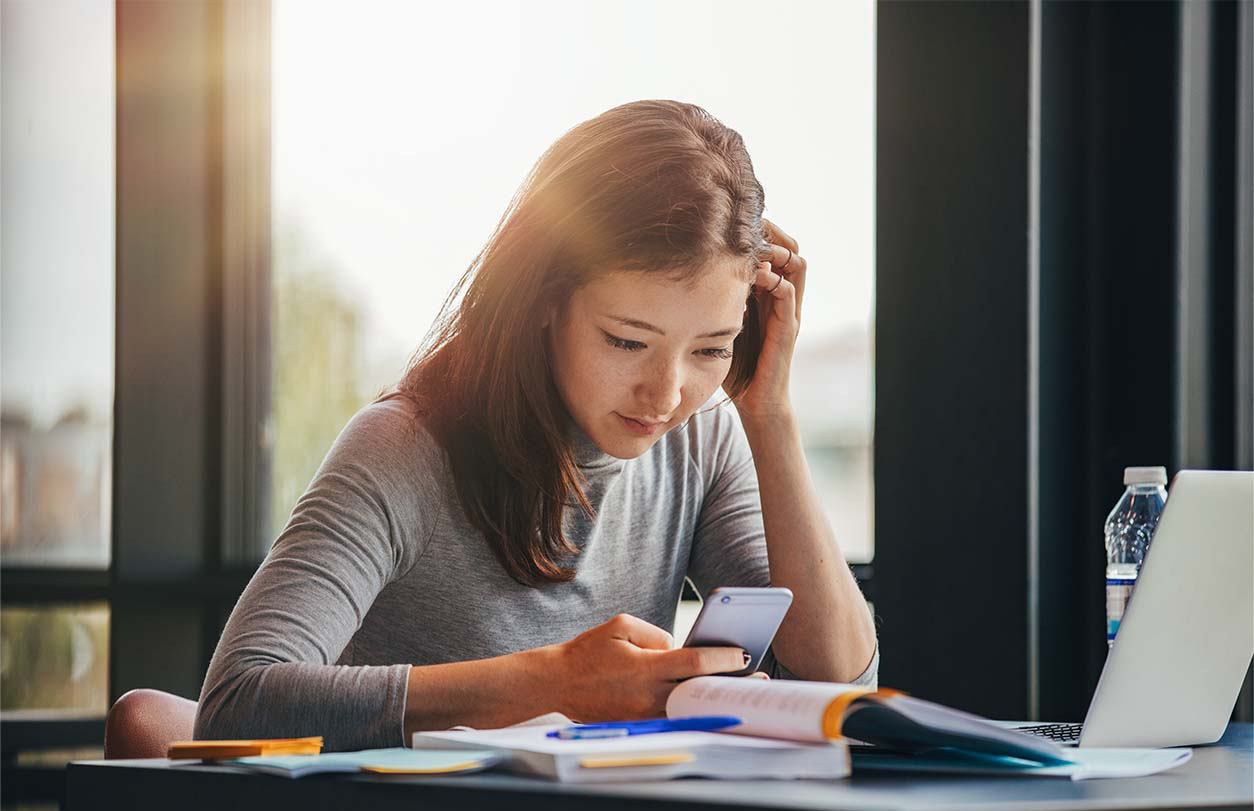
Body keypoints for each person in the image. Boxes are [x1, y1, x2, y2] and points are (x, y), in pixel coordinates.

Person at [195, 99, 878, 751]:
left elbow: (842, 682)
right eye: (626, 341)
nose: (667, 393)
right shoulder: (402, 449)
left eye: (710, 349)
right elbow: (235, 703)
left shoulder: (700, 440)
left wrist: (772, 416)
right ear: (545, 299)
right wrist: (552, 684)